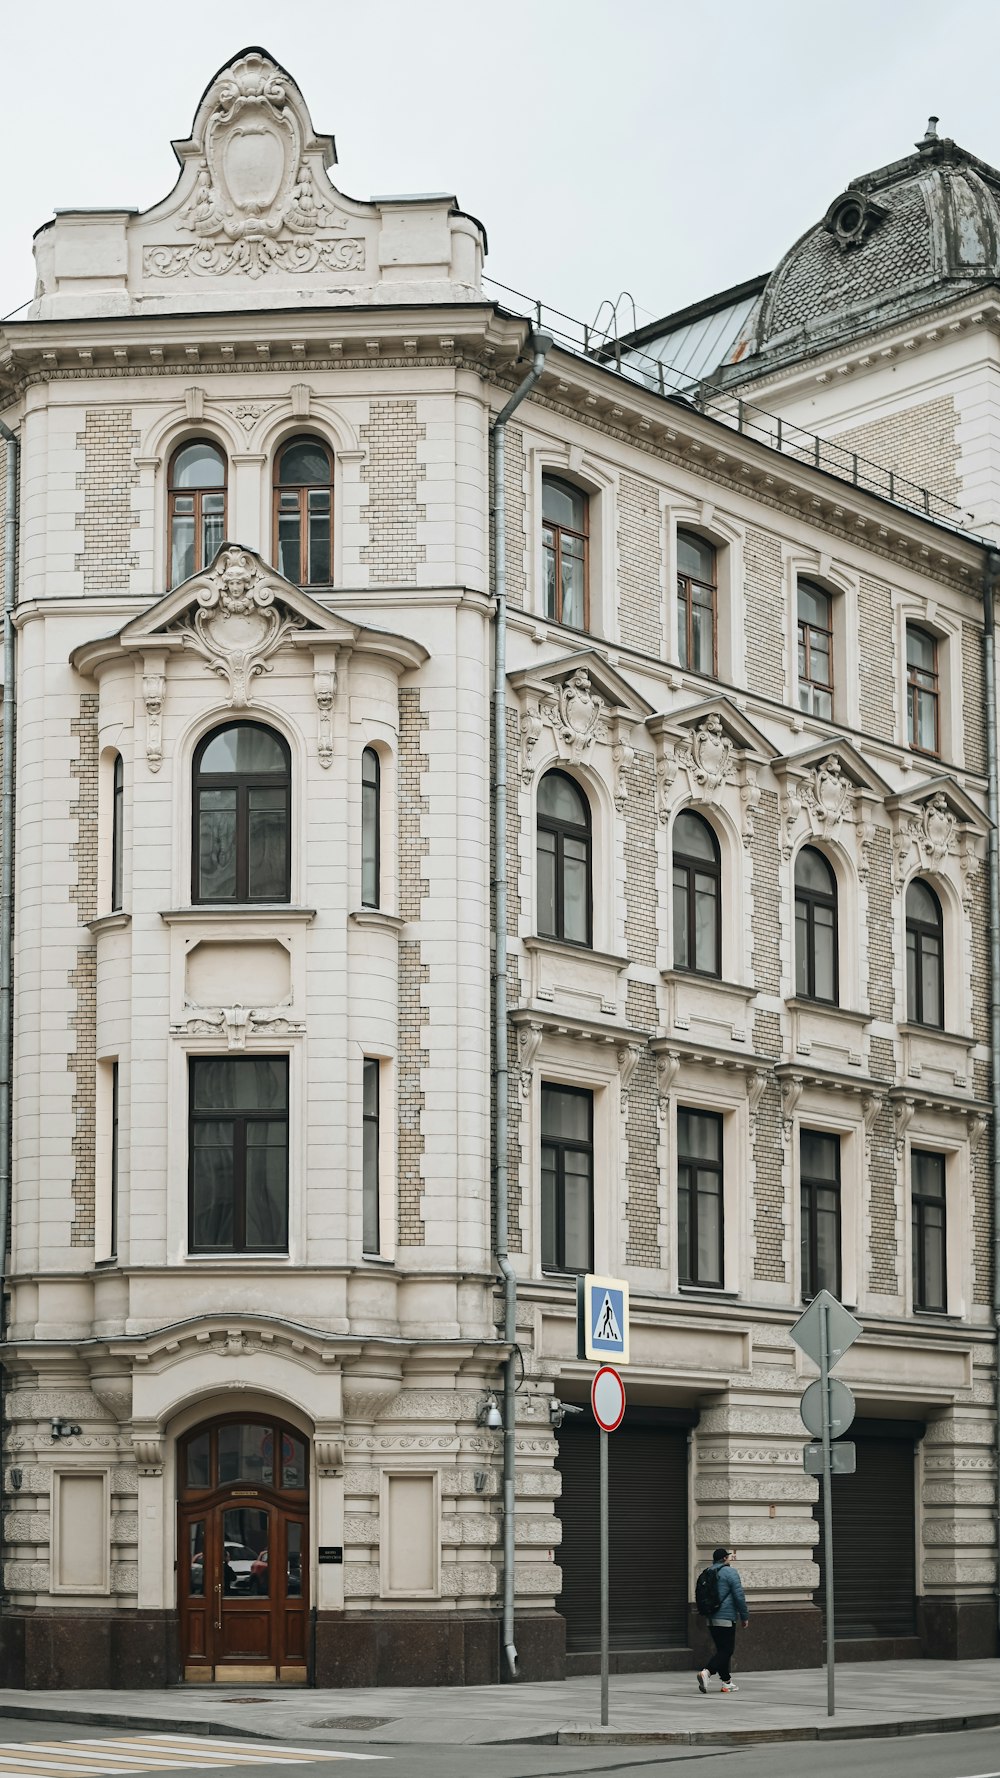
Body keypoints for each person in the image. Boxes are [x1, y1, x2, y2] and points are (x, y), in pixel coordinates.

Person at [697, 1547, 749, 1694]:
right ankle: (707, 1672)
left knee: (722, 1651)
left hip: (711, 1618)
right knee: (727, 1650)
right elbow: (739, 1596)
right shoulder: (730, 1572)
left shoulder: (707, 1572)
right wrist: (744, 1616)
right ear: (725, 1559)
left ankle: (727, 1683)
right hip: (726, 1617)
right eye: (728, 1557)